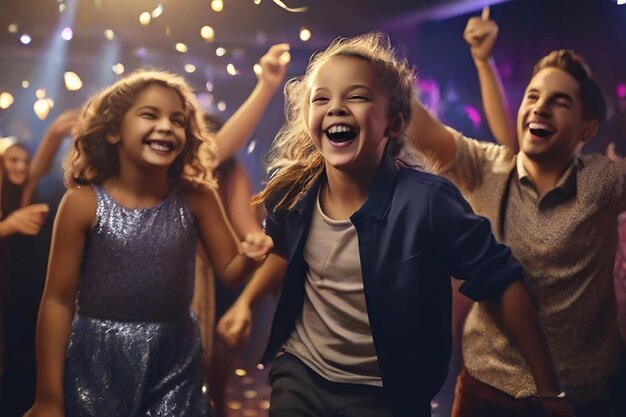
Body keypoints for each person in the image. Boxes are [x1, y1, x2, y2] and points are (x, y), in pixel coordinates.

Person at [217, 32, 572, 417]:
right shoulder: (293, 192)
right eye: (322, 98)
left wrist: (550, 392)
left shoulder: (429, 202)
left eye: (356, 96)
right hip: (301, 375)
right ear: (308, 118)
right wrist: (246, 304)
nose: (336, 107)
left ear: (394, 123)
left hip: (386, 395)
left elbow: (505, 282)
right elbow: (284, 252)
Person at [408, 11, 626, 417]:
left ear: (587, 130)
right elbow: (420, 128)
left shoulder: (603, 180)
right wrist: (379, 75)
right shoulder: (486, 166)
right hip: (487, 392)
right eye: (533, 96)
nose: (540, 108)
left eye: (560, 103)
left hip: (585, 396)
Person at [23, 69, 273, 417]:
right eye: (150, 115)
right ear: (113, 131)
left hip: (175, 356)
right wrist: (48, 396)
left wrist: (249, 256)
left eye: (177, 120)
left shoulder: (197, 197)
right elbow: (57, 301)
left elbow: (231, 271)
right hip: (97, 357)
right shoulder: (82, 203)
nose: (167, 127)